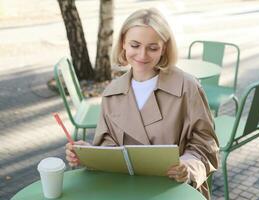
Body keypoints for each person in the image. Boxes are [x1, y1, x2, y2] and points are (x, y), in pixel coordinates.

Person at [65, 8, 219, 199]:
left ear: (164, 47)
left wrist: (187, 167)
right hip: (127, 191)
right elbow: (110, 149)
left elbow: (206, 145)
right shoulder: (111, 94)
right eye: (135, 45)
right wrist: (88, 154)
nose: (142, 55)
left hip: (175, 191)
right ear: (123, 43)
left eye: (152, 47)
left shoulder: (187, 87)